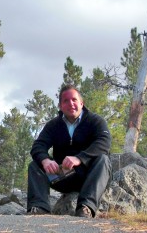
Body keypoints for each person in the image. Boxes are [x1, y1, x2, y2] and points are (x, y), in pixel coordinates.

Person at [27, 84, 112, 218]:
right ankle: (39, 208)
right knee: (35, 165)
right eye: (65, 101)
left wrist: (80, 158)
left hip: (88, 176)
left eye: (74, 100)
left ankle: (86, 208)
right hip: (61, 177)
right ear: (60, 106)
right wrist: (45, 160)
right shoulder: (53, 125)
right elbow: (38, 146)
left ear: (82, 103)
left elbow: (104, 142)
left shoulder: (95, 121)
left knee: (103, 160)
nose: (70, 103)